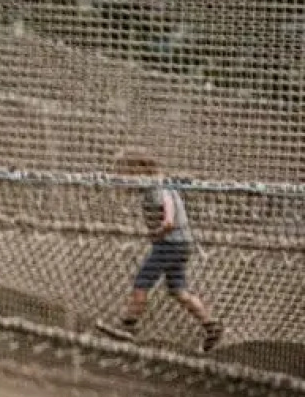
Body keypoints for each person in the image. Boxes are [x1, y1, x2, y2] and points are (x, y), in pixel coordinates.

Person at [96, 151, 224, 353]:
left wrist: (158, 232)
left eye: (123, 173)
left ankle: (127, 327)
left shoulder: (157, 187)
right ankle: (211, 326)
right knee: (178, 290)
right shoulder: (158, 185)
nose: (121, 179)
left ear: (137, 170)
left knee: (141, 283)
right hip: (181, 244)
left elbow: (169, 218)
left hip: (169, 245)